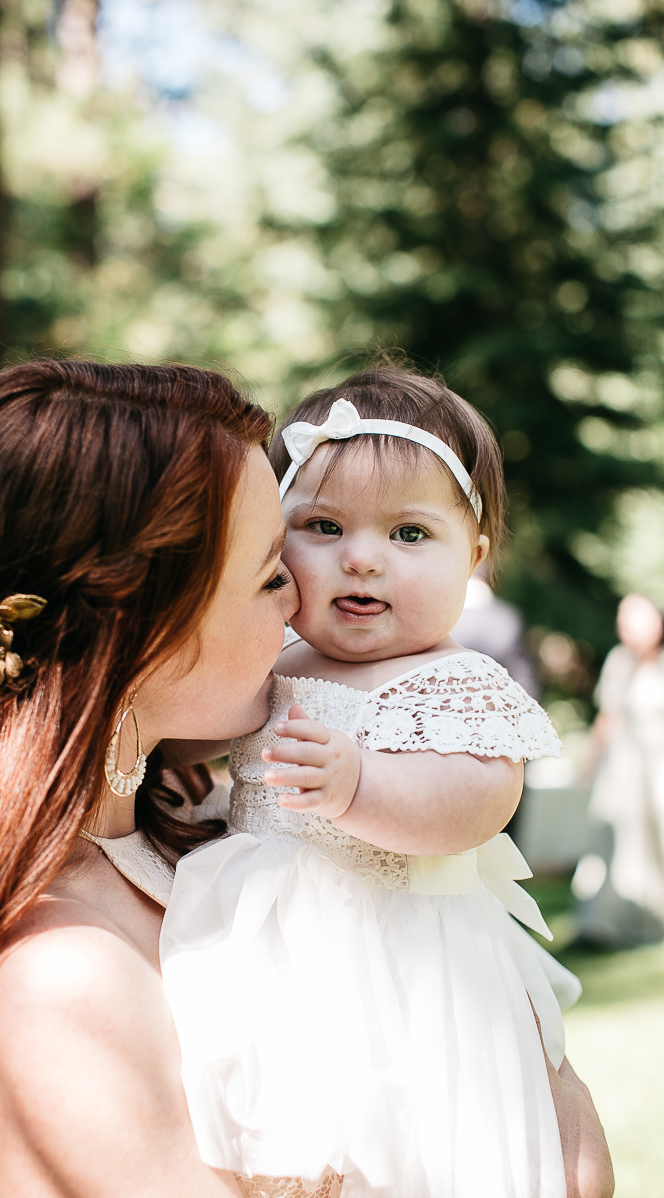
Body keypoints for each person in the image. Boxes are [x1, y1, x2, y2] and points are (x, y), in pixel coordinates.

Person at [160, 366, 614, 1198]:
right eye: (324, 526)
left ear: (473, 559)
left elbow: (476, 805)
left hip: (403, 952)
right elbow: (198, 739)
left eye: (409, 534)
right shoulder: (269, 659)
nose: (362, 558)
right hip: (270, 942)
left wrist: (359, 788)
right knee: (283, 1138)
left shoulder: (455, 680)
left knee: (419, 1145)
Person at [0, 359, 298, 1198]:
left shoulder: (193, 822)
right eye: (269, 575)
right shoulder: (52, 978)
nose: (299, 602)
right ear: (141, 635)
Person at [572, 591, 664, 948]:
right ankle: (604, 924)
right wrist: (591, 759)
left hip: (657, 768)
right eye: (623, 619)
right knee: (612, 836)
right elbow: (608, 716)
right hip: (623, 766)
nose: (627, 627)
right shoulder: (618, 661)